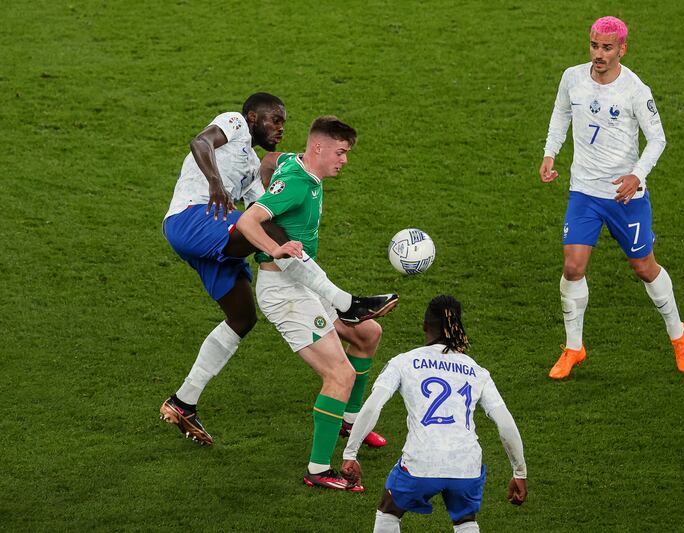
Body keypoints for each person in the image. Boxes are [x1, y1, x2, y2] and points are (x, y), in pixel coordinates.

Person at [159, 96, 397, 446]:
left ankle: (183, 402)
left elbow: (266, 199)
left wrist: (294, 179)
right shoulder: (235, 124)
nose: (281, 127)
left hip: (211, 232)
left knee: (242, 318)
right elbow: (200, 142)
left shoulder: (252, 165)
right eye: (274, 120)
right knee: (269, 233)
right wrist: (215, 184)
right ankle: (345, 301)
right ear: (253, 117)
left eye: (284, 121)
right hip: (192, 217)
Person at [236, 116, 397, 491]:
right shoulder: (295, 184)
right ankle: (319, 469)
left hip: (304, 283)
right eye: (340, 152)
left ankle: (349, 421)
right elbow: (248, 221)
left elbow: (270, 161)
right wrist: (275, 247)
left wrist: (262, 180)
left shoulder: (295, 164)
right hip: (284, 293)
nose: (345, 160)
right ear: (319, 148)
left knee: (368, 333)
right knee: (338, 375)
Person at [538, 16, 684, 379]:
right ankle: (574, 347)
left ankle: (678, 334)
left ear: (622, 49)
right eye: (594, 45)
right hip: (584, 193)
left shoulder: (635, 90)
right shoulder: (572, 78)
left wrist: (636, 176)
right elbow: (561, 113)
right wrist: (550, 152)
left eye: (607, 48)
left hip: (626, 197)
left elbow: (658, 139)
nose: (598, 54)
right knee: (572, 267)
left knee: (644, 268)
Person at [340, 295, 527, 532]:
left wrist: (351, 453)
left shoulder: (404, 362)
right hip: (467, 465)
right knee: (466, 521)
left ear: (425, 326)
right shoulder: (476, 370)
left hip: (421, 463)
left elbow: (373, 406)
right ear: (457, 327)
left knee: (389, 510)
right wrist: (519, 472)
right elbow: (505, 422)